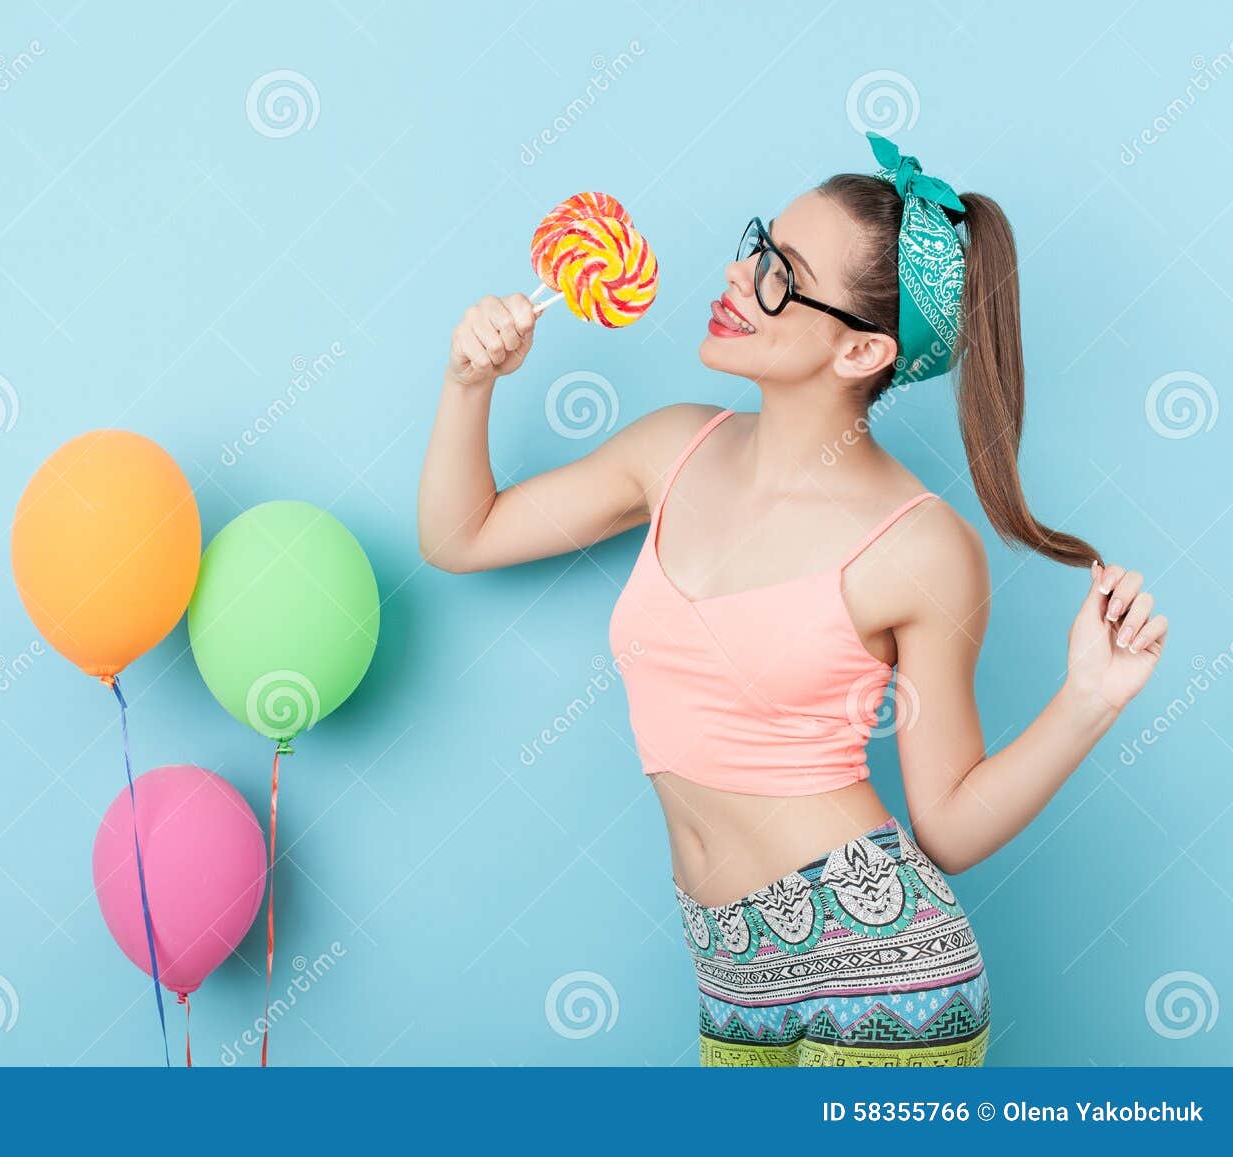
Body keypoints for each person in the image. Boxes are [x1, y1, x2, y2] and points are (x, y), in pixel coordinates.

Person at [415, 133, 1167, 1066]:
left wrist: (1090, 697)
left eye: (781, 272)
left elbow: (951, 824)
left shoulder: (922, 544)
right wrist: (467, 383)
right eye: (758, 245)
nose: (739, 273)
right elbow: (461, 534)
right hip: (730, 976)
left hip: (880, 972)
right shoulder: (673, 449)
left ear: (861, 347)